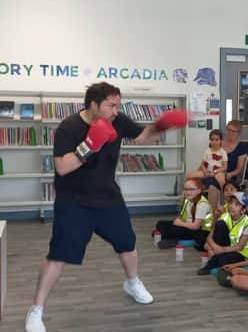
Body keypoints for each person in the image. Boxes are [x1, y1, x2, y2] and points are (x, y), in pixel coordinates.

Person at [25, 82, 188, 332]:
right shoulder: (69, 128)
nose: (116, 111)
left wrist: (161, 126)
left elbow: (143, 138)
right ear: (93, 104)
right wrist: (90, 145)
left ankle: (132, 283)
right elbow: (62, 167)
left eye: (118, 105)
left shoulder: (118, 120)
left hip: (108, 198)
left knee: (128, 244)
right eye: (111, 106)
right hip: (74, 201)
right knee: (58, 256)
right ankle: (36, 310)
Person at [198, 191, 248, 275]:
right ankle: (213, 262)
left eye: (237, 204)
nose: (232, 206)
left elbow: (240, 247)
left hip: (241, 253)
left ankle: (214, 261)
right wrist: (215, 247)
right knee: (220, 225)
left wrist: (221, 250)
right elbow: (209, 237)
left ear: (243, 210)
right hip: (227, 247)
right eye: (231, 203)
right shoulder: (225, 216)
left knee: (223, 260)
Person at [154, 178, 212, 250]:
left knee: (172, 230)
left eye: (192, 189)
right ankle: (167, 235)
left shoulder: (202, 204)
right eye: (186, 189)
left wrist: (180, 223)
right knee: (160, 223)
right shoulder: (188, 200)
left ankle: (172, 239)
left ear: (199, 190)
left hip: (200, 231)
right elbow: (183, 215)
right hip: (187, 225)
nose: (188, 192)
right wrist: (178, 221)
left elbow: (196, 226)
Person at [186, 129, 227, 208]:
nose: (214, 142)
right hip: (207, 171)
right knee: (189, 175)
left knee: (222, 181)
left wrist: (214, 172)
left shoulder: (222, 152)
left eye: (216, 139)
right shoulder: (207, 151)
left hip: (217, 172)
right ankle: (187, 198)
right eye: (212, 139)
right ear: (209, 140)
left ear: (221, 140)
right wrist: (205, 171)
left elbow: (225, 167)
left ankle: (226, 200)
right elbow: (202, 164)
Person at [220, 119, 248, 188]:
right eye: (229, 130)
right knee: (193, 179)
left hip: (230, 176)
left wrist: (230, 174)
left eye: (233, 131)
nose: (230, 132)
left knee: (212, 186)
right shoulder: (219, 143)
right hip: (214, 172)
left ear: (238, 133)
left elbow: (238, 170)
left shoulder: (241, 147)